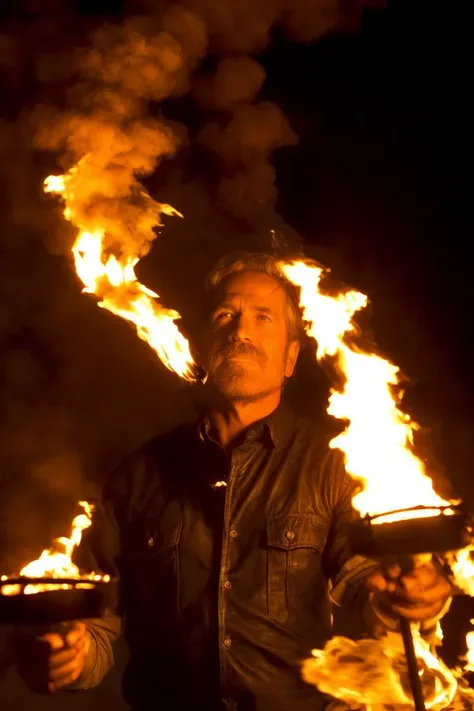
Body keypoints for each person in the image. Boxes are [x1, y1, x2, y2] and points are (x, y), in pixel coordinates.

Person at [8, 253, 452, 710]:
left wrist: (414, 595)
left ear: (290, 358)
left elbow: (366, 587)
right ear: (200, 345)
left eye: (263, 319)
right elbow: (97, 625)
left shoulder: (338, 465)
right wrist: (70, 658)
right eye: (226, 315)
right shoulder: (138, 475)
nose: (241, 331)